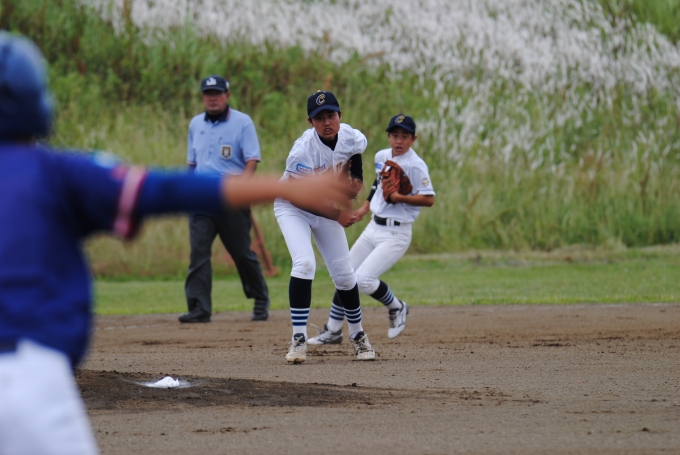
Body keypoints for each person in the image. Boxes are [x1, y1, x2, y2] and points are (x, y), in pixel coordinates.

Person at [0, 34, 352, 455]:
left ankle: (253, 301)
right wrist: (285, 189)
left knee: (240, 254)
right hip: (31, 384)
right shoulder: (56, 172)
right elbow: (164, 190)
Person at [308, 114, 435, 345]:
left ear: (413, 139)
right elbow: (379, 182)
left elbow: (429, 199)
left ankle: (397, 306)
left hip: (397, 233)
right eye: (395, 135)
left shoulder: (416, 165)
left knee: (363, 280)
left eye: (404, 136)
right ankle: (333, 330)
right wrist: (366, 206)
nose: (399, 140)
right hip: (373, 226)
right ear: (388, 136)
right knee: (344, 274)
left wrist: (399, 197)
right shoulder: (381, 156)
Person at [274, 90, 376, 363]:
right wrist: (337, 215)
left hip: (325, 205)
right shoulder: (302, 150)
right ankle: (298, 339)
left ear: (340, 115)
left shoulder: (351, 136)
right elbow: (300, 197)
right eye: (319, 118)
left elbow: (356, 153)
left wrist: (356, 179)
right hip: (293, 206)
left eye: (331, 115)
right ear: (310, 122)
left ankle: (358, 335)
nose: (326, 122)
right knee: (305, 263)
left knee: (344, 274)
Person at [180, 74, 272, 323]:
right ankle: (199, 308)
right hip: (201, 197)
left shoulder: (242, 122)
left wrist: (243, 190)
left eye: (217, 94)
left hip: (231, 195)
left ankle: (260, 299)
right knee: (199, 253)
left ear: (227, 95)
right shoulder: (195, 124)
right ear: (203, 97)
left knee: (241, 253)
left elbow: (251, 160)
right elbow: (192, 164)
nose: (213, 98)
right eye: (208, 94)